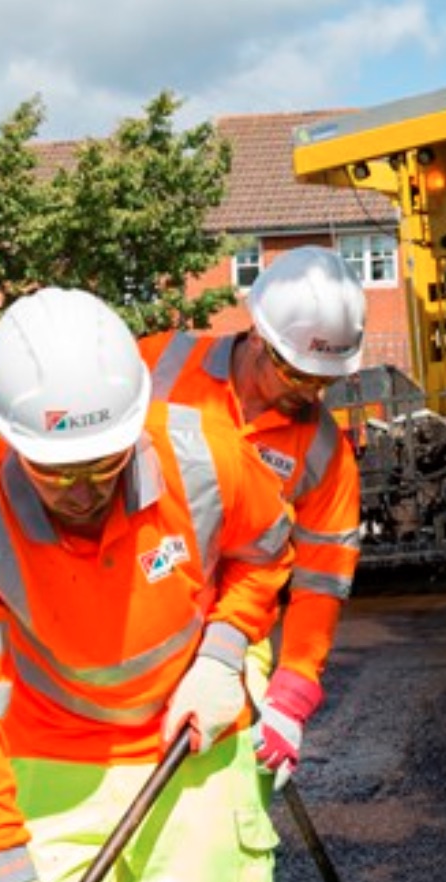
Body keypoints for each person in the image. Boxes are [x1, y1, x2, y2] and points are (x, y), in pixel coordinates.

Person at [0, 287, 293, 882]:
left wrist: (223, 654)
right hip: (53, 752)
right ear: (12, 442)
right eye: (57, 472)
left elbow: (266, 550)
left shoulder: (202, 455)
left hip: (190, 744)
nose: (85, 491)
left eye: (104, 464)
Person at [140, 245, 365, 792]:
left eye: (324, 381)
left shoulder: (324, 453)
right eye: (298, 373)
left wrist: (291, 696)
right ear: (260, 337)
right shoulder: (157, 366)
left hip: (235, 633)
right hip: (135, 615)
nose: (310, 392)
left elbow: (320, 583)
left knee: (223, 799)